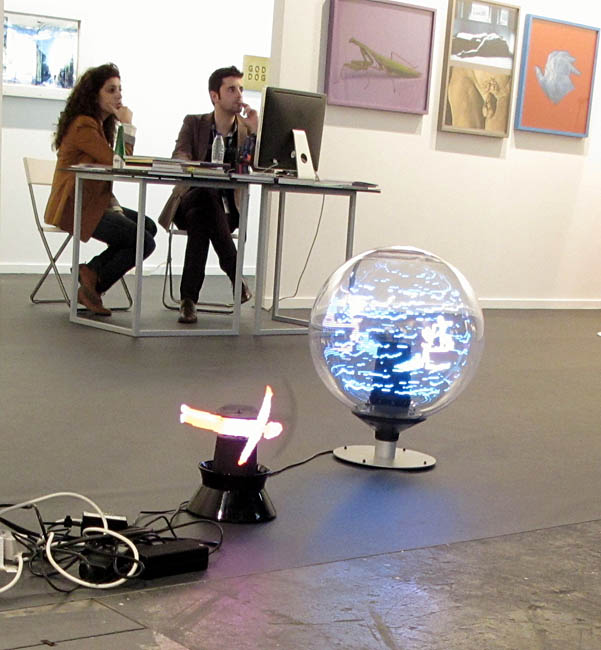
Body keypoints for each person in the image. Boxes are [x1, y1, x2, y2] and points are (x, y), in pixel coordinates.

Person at [45, 63, 157, 316]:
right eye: (111, 90)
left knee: (148, 227)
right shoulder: (84, 125)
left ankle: (92, 273)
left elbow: (117, 163)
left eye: (120, 89)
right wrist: (127, 126)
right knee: (144, 241)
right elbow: (120, 163)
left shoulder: (100, 125)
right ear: (94, 95)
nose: (119, 96)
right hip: (75, 206)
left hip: (94, 203)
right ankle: (94, 283)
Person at [158, 65, 258, 324]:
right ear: (215, 96)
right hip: (188, 201)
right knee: (204, 196)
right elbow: (179, 154)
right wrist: (194, 167)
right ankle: (236, 276)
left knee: (202, 218)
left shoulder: (246, 130)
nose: (239, 95)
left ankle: (188, 300)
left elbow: (259, 167)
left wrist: (256, 133)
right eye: (231, 89)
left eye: (241, 89)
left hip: (226, 212)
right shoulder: (194, 123)